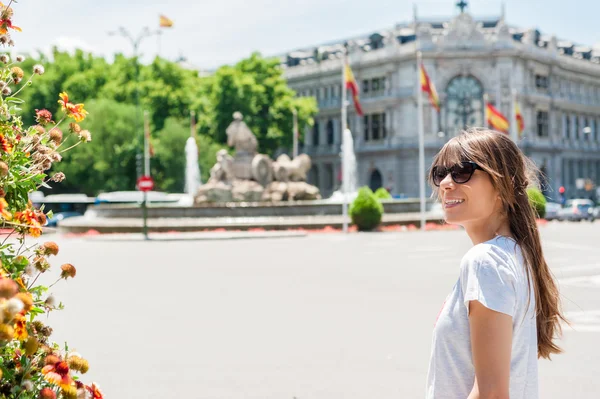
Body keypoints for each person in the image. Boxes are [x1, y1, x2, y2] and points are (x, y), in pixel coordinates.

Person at [425, 128, 566, 399]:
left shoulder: (485, 261)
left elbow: (491, 394)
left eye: (462, 171)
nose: (445, 183)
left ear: (503, 186)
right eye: (440, 173)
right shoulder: (516, 254)